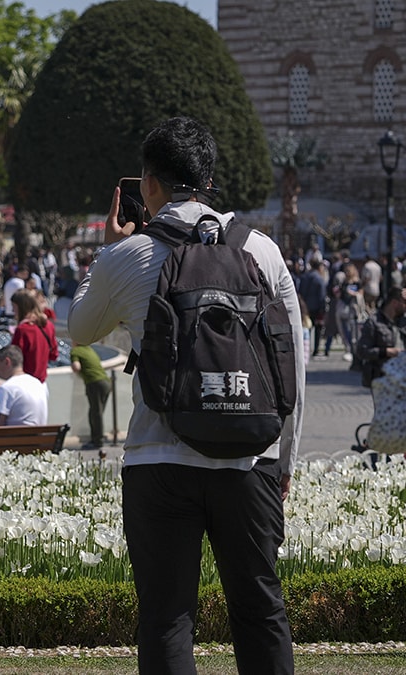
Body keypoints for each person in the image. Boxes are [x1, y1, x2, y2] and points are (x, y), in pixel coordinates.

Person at [67, 117, 302, 674]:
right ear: (210, 179)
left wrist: (105, 253)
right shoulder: (262, 252)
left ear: (148, 185)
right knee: (260, 607)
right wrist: (283, 459)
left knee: (168, 617)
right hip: (249, 457)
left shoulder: (128, 256)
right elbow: (293, 361)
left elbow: (78, 330)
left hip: (160, 458)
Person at [355, 286, 406, 387]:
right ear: (395, 303)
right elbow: (362, 351)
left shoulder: (403, 322)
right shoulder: (374, 323)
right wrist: (386, 352)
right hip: (383, 379)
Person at [9, 290, 58, 383]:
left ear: (21, 307)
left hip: (25, 382)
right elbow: (54, 355)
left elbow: (14, 360)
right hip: (42, 383)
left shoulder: (22, 330)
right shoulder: (48, 325)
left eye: (14, 307)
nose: (12, 311)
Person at [0, 344, 47, 426]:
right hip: (39, 437)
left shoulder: (7, 388)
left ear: (7, 362)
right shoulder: (37, 383)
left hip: (15, 438)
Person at [70, 342, 110, 450]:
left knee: (96, 413)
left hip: (94, 383)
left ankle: (97, 441)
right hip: (105, 382)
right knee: (96, 412)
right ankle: (96, 438)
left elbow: (76, 367)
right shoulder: (89, 349)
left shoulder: (75, 351)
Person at [299, 259, 329, 357]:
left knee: (306, 327)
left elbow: (300, 291)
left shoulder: (304, 277)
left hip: (305, 306)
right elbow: (322, 295)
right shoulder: (319, 279)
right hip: (317, 307)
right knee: (318, 329)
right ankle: (316, 349)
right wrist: (323, 308)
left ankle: (304, 348)